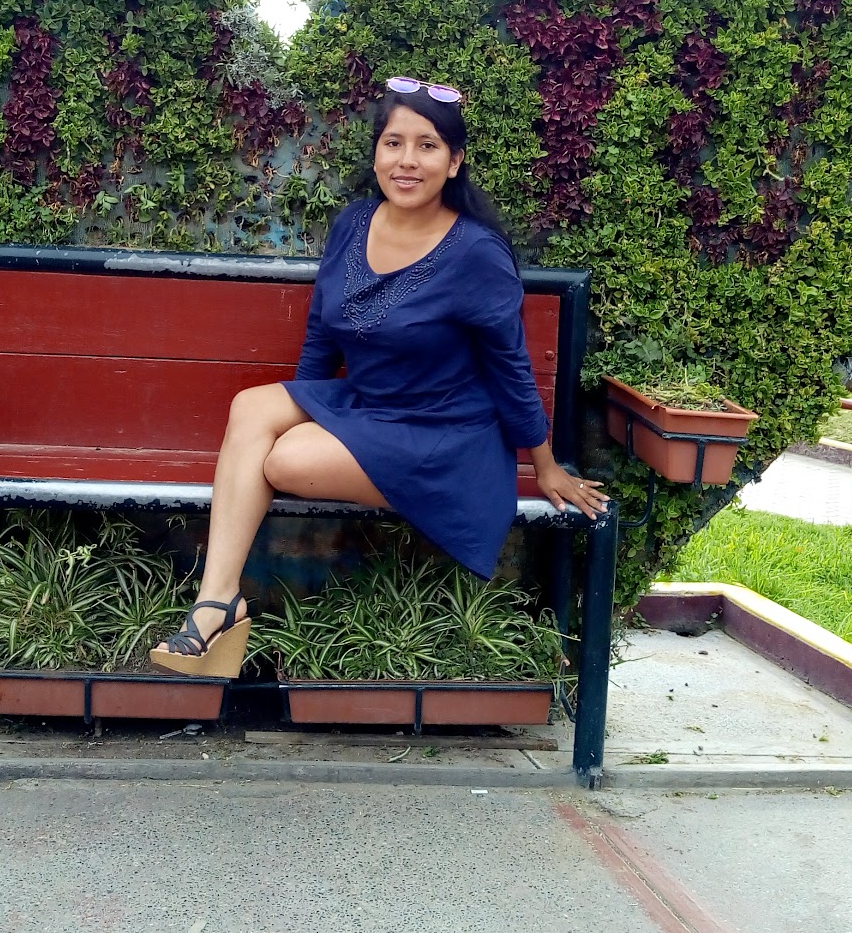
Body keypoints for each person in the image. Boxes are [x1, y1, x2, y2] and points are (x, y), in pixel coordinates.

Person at [149, 81, 610, 673]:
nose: (407, 160)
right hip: (371, 405)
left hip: (445, 433)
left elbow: (510, 367)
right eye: (394, 143)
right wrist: (306, 401)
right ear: (376, 154)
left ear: (454, 161)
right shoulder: (355, 223)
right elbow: (322, 332)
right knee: (252, 407)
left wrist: (545, 464)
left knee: (284, 459)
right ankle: (217, 602)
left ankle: (217, 610)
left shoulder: (477, 252)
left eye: (427, 145)